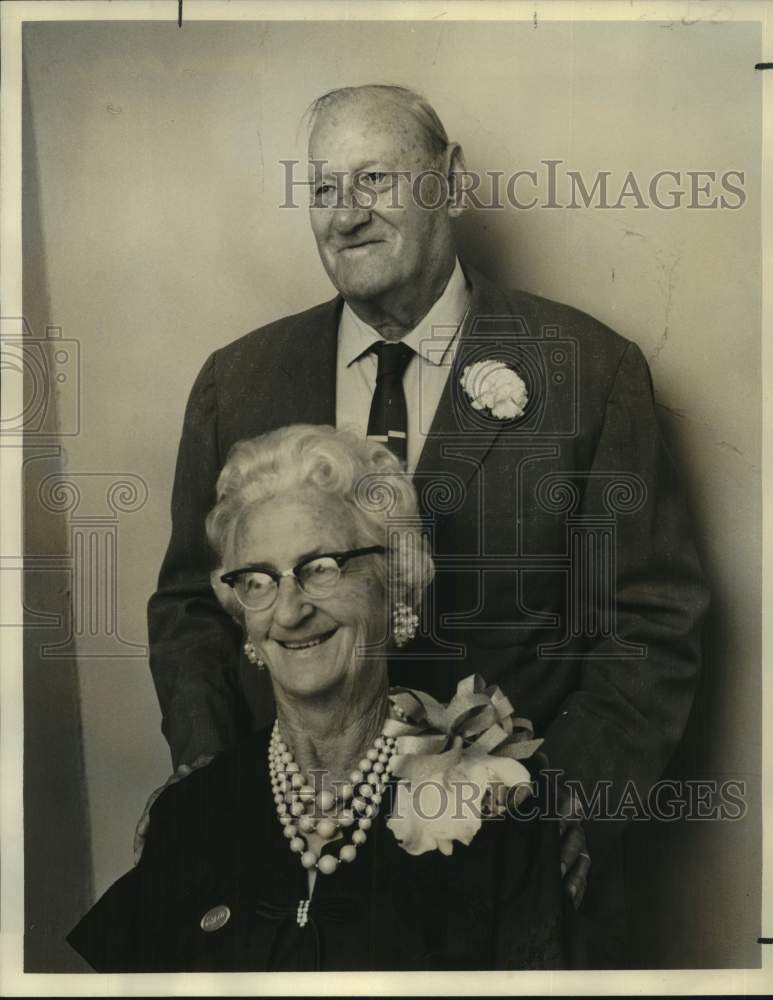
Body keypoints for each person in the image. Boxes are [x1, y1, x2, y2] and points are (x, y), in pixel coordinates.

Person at [147, 84, 709, 966]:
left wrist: (561, 808)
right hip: (290, 860)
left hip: (503, 868)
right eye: (325, 190)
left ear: (447, 181)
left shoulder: (588, 371)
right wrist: (217, 788)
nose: (345, 216)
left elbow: (651, 621)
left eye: (373, 178)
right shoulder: (240, 381)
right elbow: (189, 604)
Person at [68, 426, 567, 972]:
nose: (288, 611)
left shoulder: (500, 810)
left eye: (321, 569)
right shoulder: (190, 815)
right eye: (258, 580)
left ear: (393, 585)